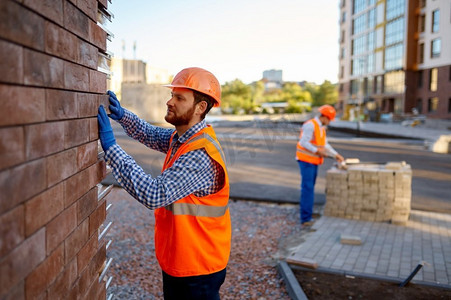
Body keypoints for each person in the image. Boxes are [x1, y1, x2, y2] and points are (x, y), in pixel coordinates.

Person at [97, 67, 231, 300]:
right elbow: (149, 133)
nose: (169, 102)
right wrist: (122, 116)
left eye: (179, 98)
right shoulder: (182, 139)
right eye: (172, 95)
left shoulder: (199, 154)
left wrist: (111, 148)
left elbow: (153, 193)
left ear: (200, 107)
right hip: (183, 260)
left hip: (197, 268)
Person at [296, 105, 344, 228]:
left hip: (313, 161)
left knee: (310, 188)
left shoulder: (321, 128)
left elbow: (325, 144)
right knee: (307, 189)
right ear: (324, 117)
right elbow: (303, 142)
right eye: (329, 120)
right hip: (306, 161)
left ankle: (308, 213)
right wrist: (317, 151)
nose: (329, 122)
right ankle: (305, 218)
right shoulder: (310, 125)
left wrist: (336, 155)